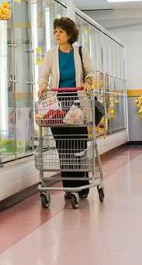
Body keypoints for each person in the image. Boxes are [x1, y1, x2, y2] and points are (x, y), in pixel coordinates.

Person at [37, 17, 96, 199]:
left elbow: (91, 72)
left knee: (78, 146)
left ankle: (82, 186)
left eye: (61, 31)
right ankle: (69, 188)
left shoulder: (80, 52)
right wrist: (42, 85)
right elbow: (44, 75)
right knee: (63, 147)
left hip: (77, 103)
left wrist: (88, 82)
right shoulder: (50, 54)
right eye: (55, 31)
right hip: (58, 105)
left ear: (69, 34)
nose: (57, 34)